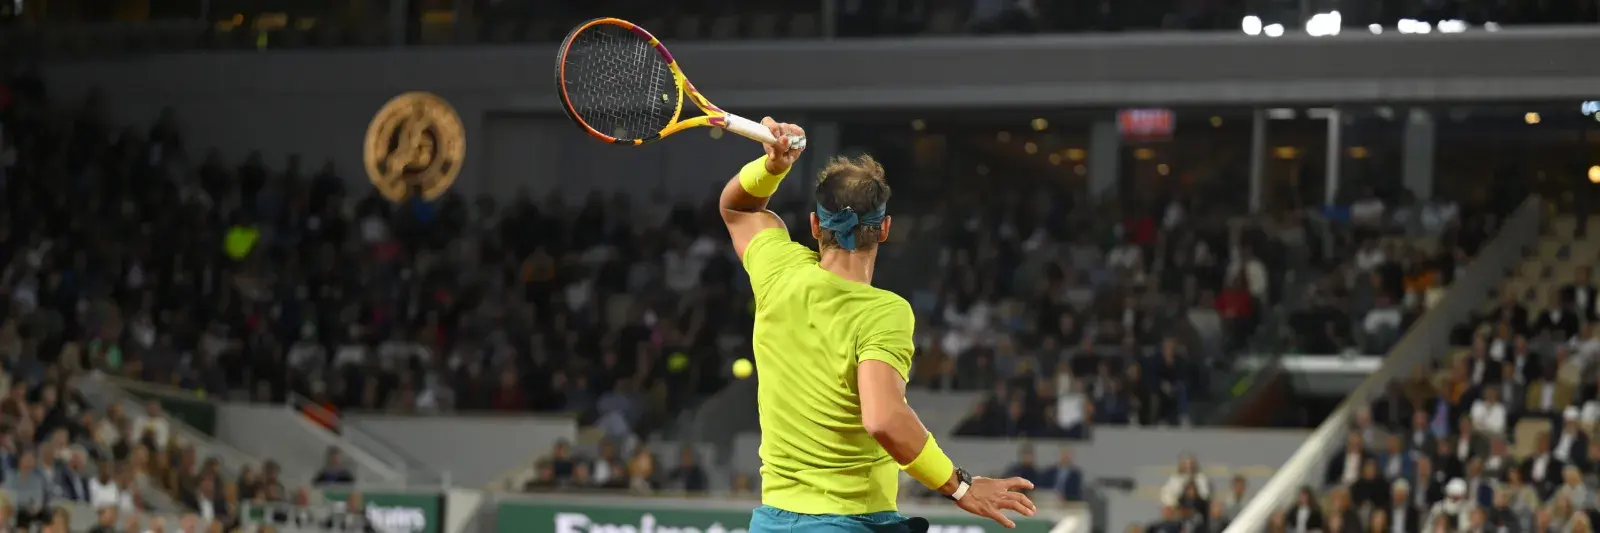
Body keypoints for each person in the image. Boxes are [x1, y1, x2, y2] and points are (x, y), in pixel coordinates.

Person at [719, 118, 1035, 532]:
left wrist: (773, 168)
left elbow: (737, 207)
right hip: (850, 523)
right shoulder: (884, 312)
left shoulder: (777, 271)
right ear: (885, 229)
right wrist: (961, 487)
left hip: (772, 522)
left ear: (816, 226)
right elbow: (883, 418)